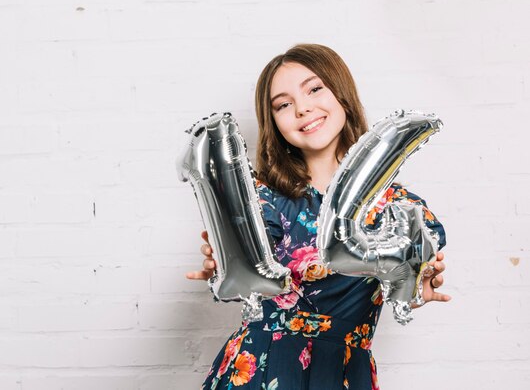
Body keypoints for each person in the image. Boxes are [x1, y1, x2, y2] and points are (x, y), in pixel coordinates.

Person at [186, 44, 450, 390]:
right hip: (261, 368)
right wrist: (222, 265)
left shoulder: (399, 208)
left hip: (341, 374)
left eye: (314, 89)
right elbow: (239, 280)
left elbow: (410, 285)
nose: (303, 108)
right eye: (283, 104)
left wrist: (418, 287)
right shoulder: (261, 202)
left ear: (341, 93)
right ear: (274, 122)